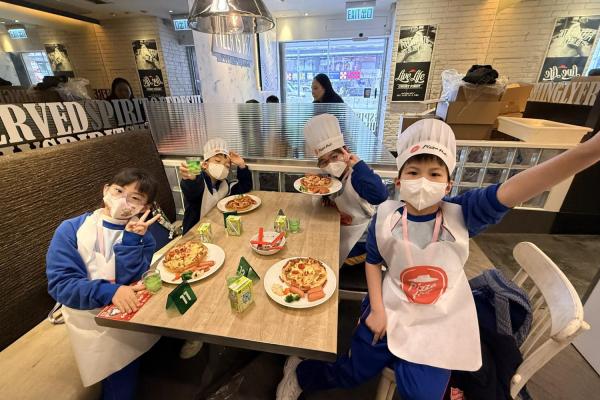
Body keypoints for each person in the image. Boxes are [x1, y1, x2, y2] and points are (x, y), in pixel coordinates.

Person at [277, 118, 600, 400]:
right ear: (400, 181)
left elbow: (519, 187)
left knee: (422, 392)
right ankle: (302, 374)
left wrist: (590, 151)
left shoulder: (464, 214)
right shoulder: (386, 217)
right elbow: (373, 262)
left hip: (439, 318)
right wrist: (376, 309)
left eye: (434, 173)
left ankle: (407, 362)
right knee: (353, 372)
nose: (423, 181)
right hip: (389, 306)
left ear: (448, 184)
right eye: (414, 172)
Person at [46, 168, 162, 400]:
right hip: (92, 320)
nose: (123, 201)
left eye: (135, 198)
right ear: (106, 190)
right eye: (118, 191)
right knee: (120, 385)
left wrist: (132, 240)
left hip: (130, 314)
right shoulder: (71, 230)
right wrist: (111, 291)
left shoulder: (143, 234)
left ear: (145, 208)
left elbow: (133, 281)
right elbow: (61, 285)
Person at [178, 138, 253, 358]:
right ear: (205, 164)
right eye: (217, 161)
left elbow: (245, 188)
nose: (223, 166)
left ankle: (221, 316)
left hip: (219, 237)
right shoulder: (200, 181)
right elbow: (191, 190)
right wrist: (190, 176)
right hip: (193, 242)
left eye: (226, 163)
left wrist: (242, 166)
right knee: (196, 286)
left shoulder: (225, 185)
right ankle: (194, 333)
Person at [304, 114, 388, 264]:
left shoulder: (357, 176)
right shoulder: (332, 178)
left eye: (334, 157)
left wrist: (358, 165)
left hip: (361, 241)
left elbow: (380, 195)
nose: (330, 164)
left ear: (346, 151)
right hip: (341, 230)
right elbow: (334, 196)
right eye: (324, 161)